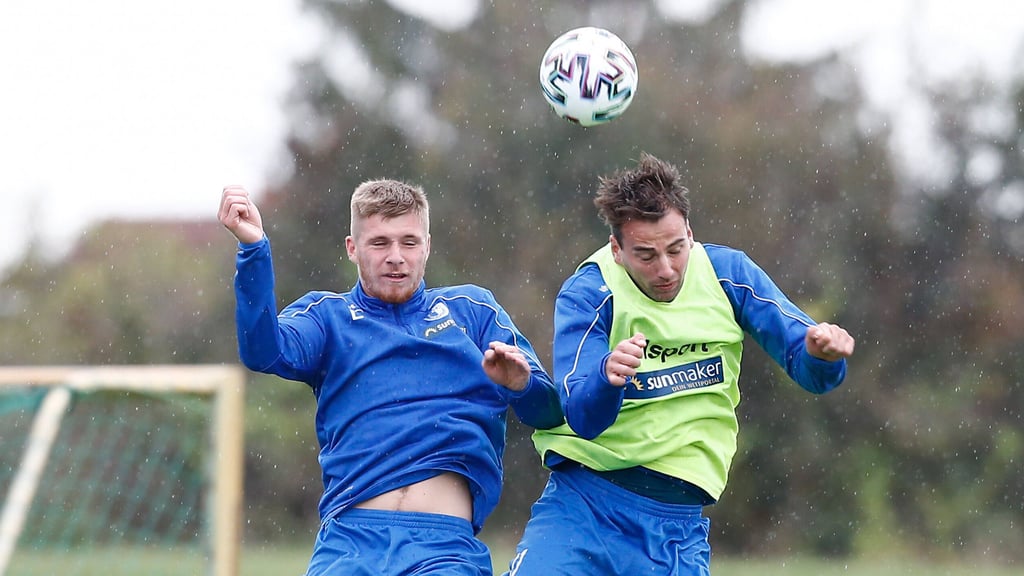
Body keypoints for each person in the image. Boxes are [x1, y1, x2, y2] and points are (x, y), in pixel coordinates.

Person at [505, 153, 855, 575]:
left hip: (677, 527)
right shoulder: (590, 291)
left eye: (676, 249)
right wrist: (607, 379)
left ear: (690, 232)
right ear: (617, 250)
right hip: (582, 509)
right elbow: (582, 415)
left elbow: (807, 363)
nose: (666, 269)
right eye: (646, 255)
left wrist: (822, 357)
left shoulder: (729, 275)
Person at [218, 179, 563, 576]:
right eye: (380, 243)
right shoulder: (328, 318)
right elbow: (263, 352)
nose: (396, 257)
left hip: (443, 549)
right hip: (349, 545)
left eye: (409, 242)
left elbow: (549, 413)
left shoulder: (474, 311)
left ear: (427, 246)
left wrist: (521, 384)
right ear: (353, 248)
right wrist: (254, 249)